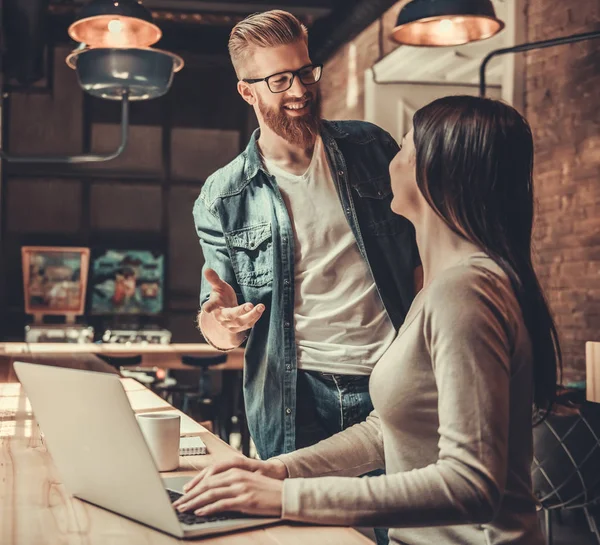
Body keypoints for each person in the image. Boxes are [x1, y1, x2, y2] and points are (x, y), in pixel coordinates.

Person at [175, 95, 561, 545]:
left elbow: (471, 485)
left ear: (435, 174)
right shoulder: (441, 289)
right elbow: (388, 429)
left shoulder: (466, 292)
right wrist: (277, 470)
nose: (391, 160)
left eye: (406, 147)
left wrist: (284, 497)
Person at [194, 10, 420, 465]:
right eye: (279, 80)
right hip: (293, 398)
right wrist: (223, 322)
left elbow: (422, 256)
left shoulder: (373, 149)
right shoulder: (223, 196)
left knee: (392, 529)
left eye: (304, 72)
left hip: (392, 378)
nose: (299, 90)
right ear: (247, 91)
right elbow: (216, 325)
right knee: (304, 532)